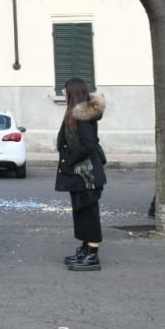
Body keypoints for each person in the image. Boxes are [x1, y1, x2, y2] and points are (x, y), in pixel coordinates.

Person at [55, 78, 107, 271]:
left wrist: (69, 161)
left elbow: (88, 144)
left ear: (72, 93)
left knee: (89, 212)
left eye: (64, 91)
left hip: (86, 173)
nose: (63, 94)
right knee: (82, 211)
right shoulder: (76, 113)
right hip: (81, 173)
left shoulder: (82, 115)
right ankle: (85, 249)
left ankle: (92, 254)